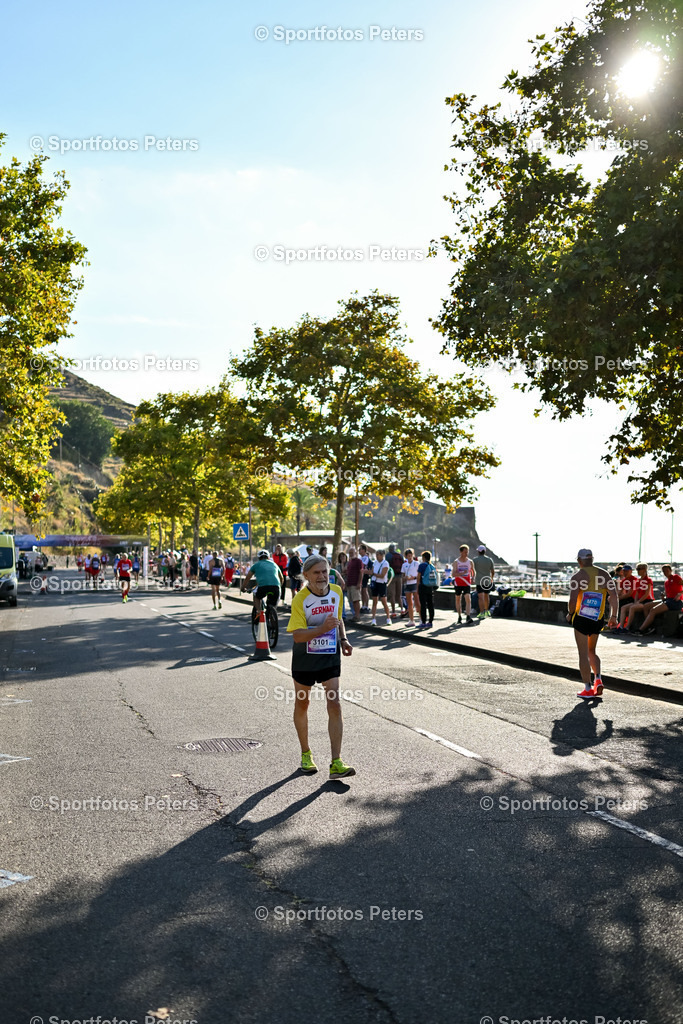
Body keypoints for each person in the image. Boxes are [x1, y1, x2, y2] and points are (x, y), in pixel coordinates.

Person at [286, 553, 355, 780]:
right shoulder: (300, 599)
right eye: (316, 572)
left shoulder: (336, 592)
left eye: (325, 571)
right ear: (306, 575)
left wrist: (343, 639)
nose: (322, 576)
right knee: (303, 703)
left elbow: (338, 618)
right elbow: (297, 636)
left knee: (334, 703)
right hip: (305, 657)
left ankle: (336, 762)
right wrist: (322, 628)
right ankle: (306, 753)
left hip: (329, 655)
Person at [567, 548, 618, 699]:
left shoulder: (578, 576)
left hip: (581, 618)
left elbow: (572, 601)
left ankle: (588, 689)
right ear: (592, 559)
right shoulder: (603, 574)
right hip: (598, 618)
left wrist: (570, 614)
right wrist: (613, 616)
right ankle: (598, 679)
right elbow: (614, 596)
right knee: (592, 651)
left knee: (583, 654)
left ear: (579, 561)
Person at [636, 564, 683, 635]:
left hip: (675, 602)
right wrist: (663, 597)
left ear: (671, 571)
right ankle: (649, 626)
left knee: (653, 610)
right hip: (668, 600)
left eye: (667, 570)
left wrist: (680, 594)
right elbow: (668, 595)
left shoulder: (676, 577)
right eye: (663, 571)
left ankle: (642, 629)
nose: (665, 572)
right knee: (646, 606)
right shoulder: (666, 582)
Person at [242, 549, 283, 615]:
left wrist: (243, 587)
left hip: (263, 587)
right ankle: (272, 614)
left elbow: (247, 578)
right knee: (273, 604)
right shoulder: (274, 564)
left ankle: (259, 612)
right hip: (275, 587)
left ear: (259, 558)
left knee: (257, 597)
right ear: (268, 557)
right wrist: (279, 586)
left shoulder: (256, 565)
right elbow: (281, 578)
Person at [620, 562, 654, 631]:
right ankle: (621, 627)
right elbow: (637, 594)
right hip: (639, 601)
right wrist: (636, 601)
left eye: (639, 569)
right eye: (637, 569)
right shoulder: (638, 581)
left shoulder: (648, 580)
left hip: (646, 601)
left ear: (644, 570)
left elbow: (646, 594)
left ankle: (627, 627)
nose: (637, 571)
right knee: (623, 608)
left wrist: (638, 601)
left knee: (632, 608)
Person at [454, 545, 475, 624]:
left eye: (467, 552)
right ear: (461, 552)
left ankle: (468, 616)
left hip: (467, 583)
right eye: (465, 552)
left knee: (468, 599)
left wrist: (473, 577)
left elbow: (473, 571)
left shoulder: (470, 561)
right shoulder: (456, 562)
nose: (466, 553)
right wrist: (461, 573)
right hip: (458, 583)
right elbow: (453, 574)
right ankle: (459, 616)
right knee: (458, 600)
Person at [417, 550, 438, 628]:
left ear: (423, 558)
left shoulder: (422, 565)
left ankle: (423, 622)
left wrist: (417, 587)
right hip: (430, 587)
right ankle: (430, 622)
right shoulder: (432, 566)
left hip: (423, 586)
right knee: (430, 605)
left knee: (423, 605)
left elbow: (418, 577)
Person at [473, 545, 495, 619]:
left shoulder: (475, 560)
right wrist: (491, 578)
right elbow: (492, 571)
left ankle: (482, 613)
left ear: (478, 551)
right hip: (487, 580)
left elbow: (472, 570)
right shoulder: (489, 560)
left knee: (480, 597)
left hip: (479, 581)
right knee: (486, 596)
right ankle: (487, 611)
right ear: (484, 551)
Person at [370, 548, 391, 626]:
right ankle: (373, 619)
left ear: (382, 555)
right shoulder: (375, 562)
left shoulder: (385, 563)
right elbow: (371, 571)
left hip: (382, 583)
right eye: (376, 554)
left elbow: (382, 575)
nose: (376, 556)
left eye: (378, 555)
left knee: (384, 601)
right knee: (374, 601)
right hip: (375, 582)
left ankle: (388, 618)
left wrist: (373, 574)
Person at [401, 548, 420, 625]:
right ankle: (411, 620)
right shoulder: (404, 565)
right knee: (410, 604)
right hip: (407, 584)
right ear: (406, 556)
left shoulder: (416, 563)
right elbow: (402, 576)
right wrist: (405, 578)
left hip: (415, 584)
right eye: (408, 556)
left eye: (411, 555)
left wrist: (414, 578)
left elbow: (419, 575)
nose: (410, 557)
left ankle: (421, 619)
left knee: (417, 602)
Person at [345, 545, 364, 622]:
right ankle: (355, 615)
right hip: (349, 583)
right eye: (349, 552)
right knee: (352, 600)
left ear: (356, 552)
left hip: (355, 584)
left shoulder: (358, 561)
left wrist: (359, 583)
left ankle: (357, 616)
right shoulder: (350, 562)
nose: (351, 554)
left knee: (356, 600)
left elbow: (361, 572)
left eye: (352, 552)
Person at [386, 543, 404, 618]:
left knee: (392, 595)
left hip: (391, 577)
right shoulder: (400, 555)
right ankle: (402, 610)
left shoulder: (388, 555)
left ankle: (393, 612)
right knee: (399, 595)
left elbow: (386, 566)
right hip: (399, 576)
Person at [359, 543, 372, 613]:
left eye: (360, 549)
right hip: (362, 576)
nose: (359, 551)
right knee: (362, 591)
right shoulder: (361, 557)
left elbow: (363, 565)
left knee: (364, 590)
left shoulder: (365, 558)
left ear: (363, 550)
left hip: (365, 576)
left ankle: (366, 605)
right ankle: (363, 605)